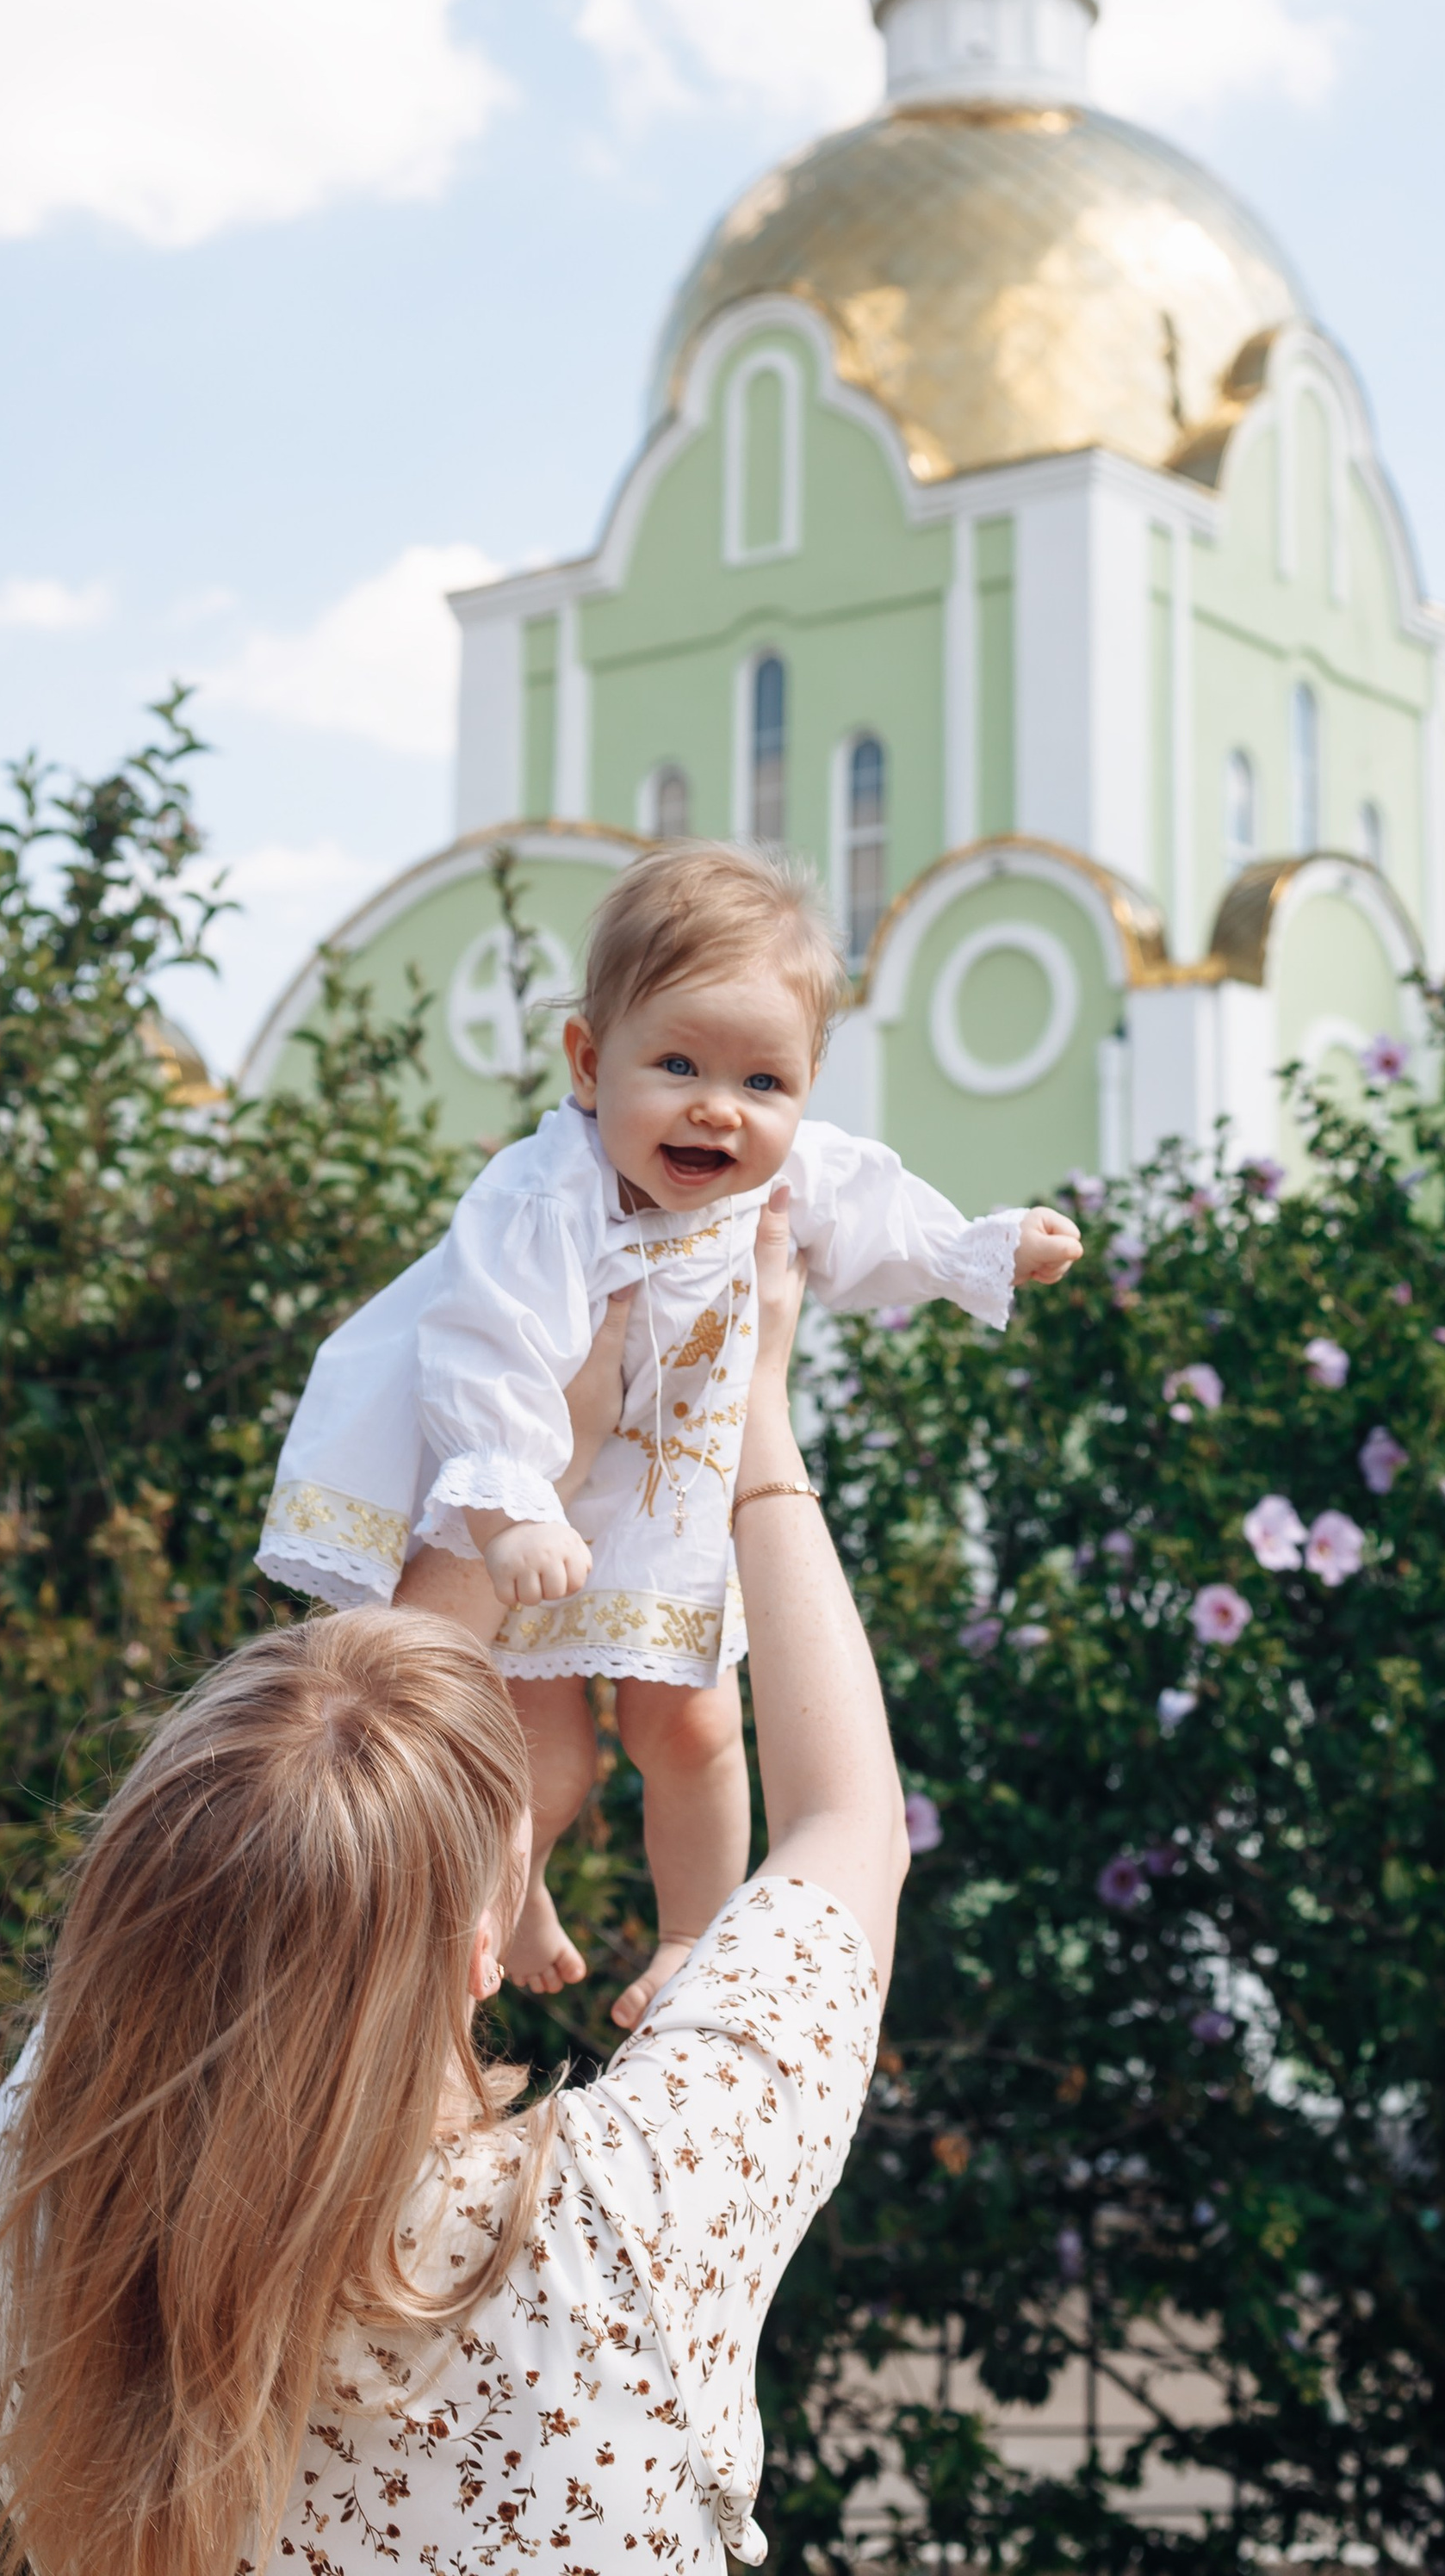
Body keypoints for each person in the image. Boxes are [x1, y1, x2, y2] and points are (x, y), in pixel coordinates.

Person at [0, 1194, 905, 2575]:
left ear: (119, 1924)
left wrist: (520, 1461)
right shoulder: (620, 2220)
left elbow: (345, 1751)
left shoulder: (44, 2194)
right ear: (475, 1951)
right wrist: (751, 1425)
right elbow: (850, 1822)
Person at [255, 838, 1080, 2025]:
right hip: (525, 1511)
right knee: (539, 1758)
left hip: (662, 1513)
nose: (718, 1109)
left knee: (691, 1726)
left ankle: (692, 1934)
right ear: (591, 1064)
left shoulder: (781, 1184)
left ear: (804, 1090)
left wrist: (983, 1251)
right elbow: (481, 1350)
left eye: (765, 1084)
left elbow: (883, 1218)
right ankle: (503, 1899)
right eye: (680, 1063)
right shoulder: (545, 1197)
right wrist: (509, 1506)